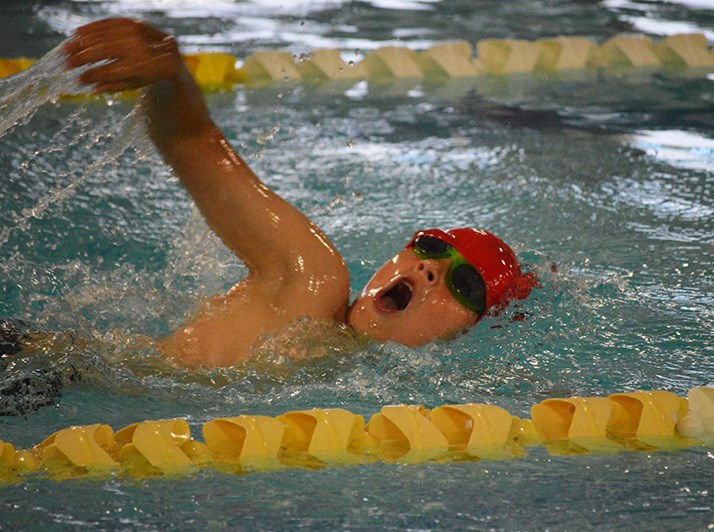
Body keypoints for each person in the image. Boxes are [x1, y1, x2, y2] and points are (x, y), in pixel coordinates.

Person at [55, 18, 537, 368]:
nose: (430, 268)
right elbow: (193, 144)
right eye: (431, 246)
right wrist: (171, 72)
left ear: (473, 334)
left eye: (465, 284)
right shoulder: (310, 282)